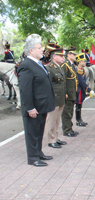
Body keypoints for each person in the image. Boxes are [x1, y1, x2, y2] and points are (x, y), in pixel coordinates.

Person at [17, 34, 55, 167]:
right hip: (34, 107)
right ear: (31, 50)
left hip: (41, 105)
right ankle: (33, 158)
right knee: (32, 133)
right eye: (39, 48)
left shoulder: (38, 64)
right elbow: (25, 90)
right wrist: (30, 108)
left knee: (39, 131)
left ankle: (38, 152)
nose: (42, 50)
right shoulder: (26, 65)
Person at [44, 48, 68, 148]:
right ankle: (50, 140)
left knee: (57, 120)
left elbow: (62, 83)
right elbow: (47, 85)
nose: (63, 58)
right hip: (53, 98)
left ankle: (55, 138)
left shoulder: (59, 67)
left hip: (60, 98)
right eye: (61, 56)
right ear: (54, 57)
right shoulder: (49, 68)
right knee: (51, 120)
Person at [61, 46, 79, 137]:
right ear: (68, 55)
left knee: (70, 111)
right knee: (66, 112)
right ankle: (67, 130)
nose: (75, 56)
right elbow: (63, 79)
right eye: (74, 54)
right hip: (68, 92)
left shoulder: (71, 65)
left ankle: (70, 128)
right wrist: (64, 92)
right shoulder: (65, 64)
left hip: (72, 92)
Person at [75, 53, 94, 126]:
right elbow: (82, 82)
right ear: (79, 62)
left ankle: (80, 119)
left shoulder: (82, 69)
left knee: (80, 105)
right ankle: (78, 120)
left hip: (81, 89)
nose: (85, 62)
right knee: (78, 104)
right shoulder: (78, 70)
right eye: (84, 61)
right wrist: (89, 90)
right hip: (79, 89)